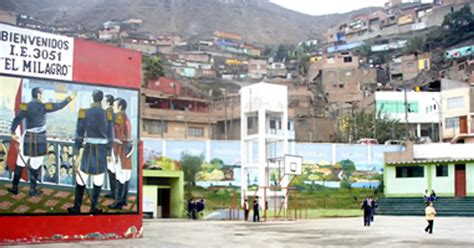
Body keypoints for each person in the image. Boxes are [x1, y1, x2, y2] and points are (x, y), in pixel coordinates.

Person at [8, 87, 76, 196]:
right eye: (42, 94)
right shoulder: (44, 106)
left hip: (28, 137)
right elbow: (59, 106)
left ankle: (15, 188)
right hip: (40, 138)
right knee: (36, 165)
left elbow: (17, 119)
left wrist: (12, 132)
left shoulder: (26, 106)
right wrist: (69, 98)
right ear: (39, 95)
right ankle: (32, 190)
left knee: (20, 163)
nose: (43, 96)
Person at [67, 90, 113, 214]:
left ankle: (77, 207)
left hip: (88, 150)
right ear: (101, 99)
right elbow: (110, 135)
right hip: (102, 151)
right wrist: (108, 153)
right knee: (98, 181)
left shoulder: (83, 112)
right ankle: (94, 208)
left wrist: (76, 153)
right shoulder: (108, 114)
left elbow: (79, 134)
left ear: (92, 98)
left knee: (81, 179)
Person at [108, 98, 133, 210]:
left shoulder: (119, 116)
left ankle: (118, 201)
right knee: (125, 175)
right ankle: (123, 199)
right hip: (124, 149)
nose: (112, 107)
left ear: (120, 107)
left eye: (114, 105)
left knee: (120, 174)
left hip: (120, 150)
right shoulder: (124, 117)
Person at [103, 94, 117, 199]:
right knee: (113, 170)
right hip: (113, 146)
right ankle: (115, 193)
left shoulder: (108, 113)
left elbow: (109, 133)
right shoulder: (114, 113)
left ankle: (114, 194)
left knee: (112, 170)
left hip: (110, 147)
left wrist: (108, 150)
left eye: (104, 101)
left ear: (108, 103)